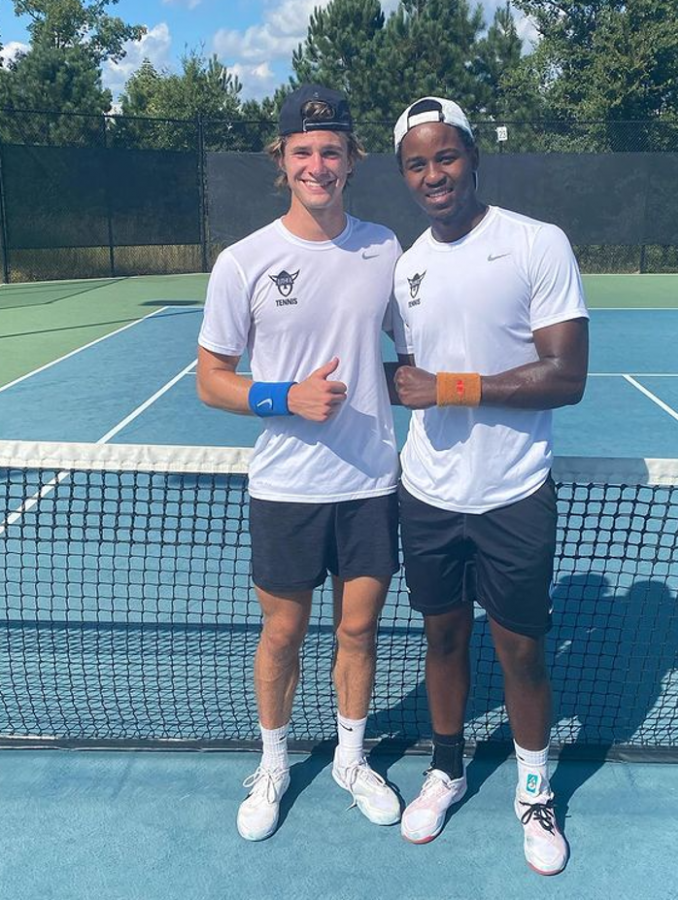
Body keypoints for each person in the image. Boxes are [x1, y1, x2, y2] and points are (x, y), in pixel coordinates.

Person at [196, 84, 402, 841]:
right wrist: (285, 397)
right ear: (281, 161)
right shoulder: (242, 262)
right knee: (281, 635)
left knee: (359, 632)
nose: (318, 163)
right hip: (284, 486)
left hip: (371, 482)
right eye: (302, 151)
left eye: (331, 150)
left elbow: (416, 347)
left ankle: (351, 758)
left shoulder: (385, 248)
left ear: (351, 160)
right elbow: (211, 378)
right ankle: (275, 762)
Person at [390, 97, 589, 875]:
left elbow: (565, 376)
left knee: (520, 650)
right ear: (404, 173)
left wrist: (451, 388)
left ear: (471, 157)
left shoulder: (536, 244)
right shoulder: (406, 267)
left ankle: (535, 791)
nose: (433, 174)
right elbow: (404, 374)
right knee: (441, 637)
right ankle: (446, 766)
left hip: (512, 495)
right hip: (427, 494)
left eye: (445, 157)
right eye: (417, 163)